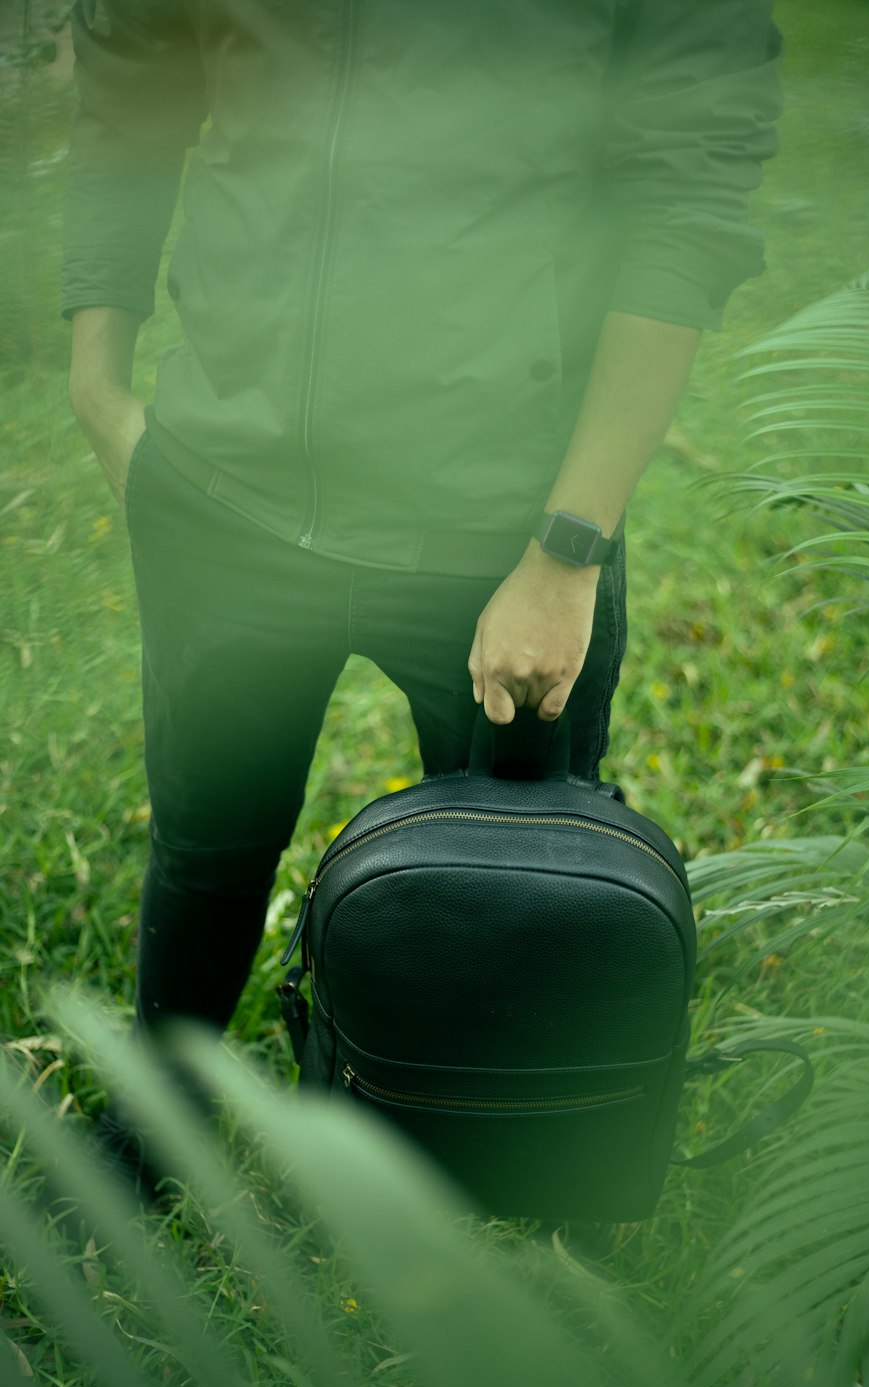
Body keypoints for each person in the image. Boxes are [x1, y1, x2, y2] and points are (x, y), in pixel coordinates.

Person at [62, 0, 783, 1198]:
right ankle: (162, 1118)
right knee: (205, 843)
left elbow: (688, 197)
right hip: (223, 501)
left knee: (515, 871)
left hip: (504, 531)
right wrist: (99, 384)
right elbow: (129, 80)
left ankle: (488, 1146)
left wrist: (567, 548)